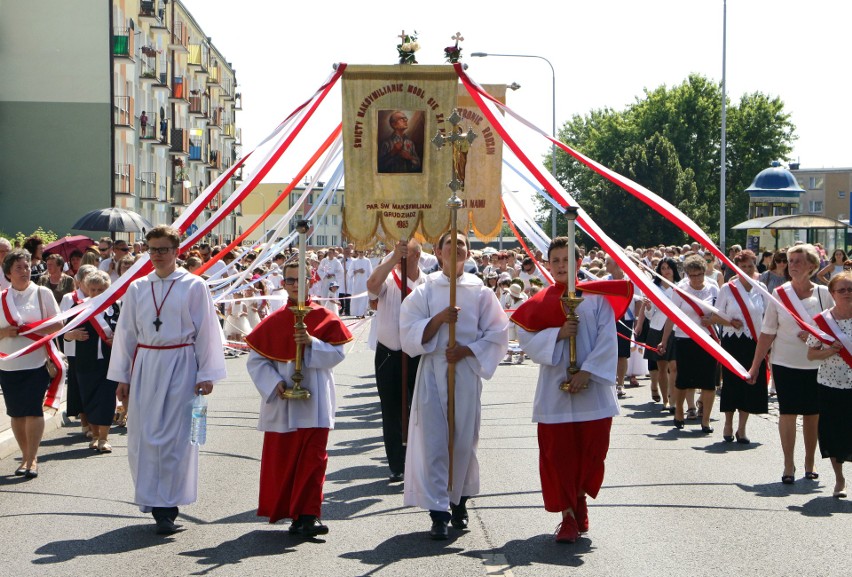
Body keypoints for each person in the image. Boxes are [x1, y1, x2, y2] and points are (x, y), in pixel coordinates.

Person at [107, 225, 226, 535]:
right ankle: (151, 498)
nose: (157, 255)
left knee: (176, 437)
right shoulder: (137, 288)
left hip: (182, 364)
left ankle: (168, 508)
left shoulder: (193, 285)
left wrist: (207, 373)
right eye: (152, 249)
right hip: (146, 364)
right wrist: (122, 376)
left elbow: (207, 331)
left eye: (163, 249)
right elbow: (127, 334)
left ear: (176, 251)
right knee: (144, 436)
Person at [512, 239, 629, 543]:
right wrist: (557, 334)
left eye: (567, 259)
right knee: (558, 454)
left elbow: (607, 339)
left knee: (592, 453)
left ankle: (579, 499)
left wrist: (587, 372)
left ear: (579, 263)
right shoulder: (541, 301)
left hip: (593, 390)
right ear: (548, 265)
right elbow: (525, 338)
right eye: (556, 261)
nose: (562, 266)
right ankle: (567, 517)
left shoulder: (597, 298)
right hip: (555, 392)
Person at [399, 231, 509, 540]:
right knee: (435, 440)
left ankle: (458, 498)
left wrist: (466, 350)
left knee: (462, 440)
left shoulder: (481, 291)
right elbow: (408, 332)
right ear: (439, 251)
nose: (456, 248)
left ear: (468, 252)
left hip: (464, 369)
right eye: (451, 243)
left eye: (462, 243)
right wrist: (438, 321)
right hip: (434, 368)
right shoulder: (425, 290)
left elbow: (497, 332)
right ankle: (438, 511)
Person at [245, 261, 353, 537]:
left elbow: (338, 355)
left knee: (314, 459)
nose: (295, 284)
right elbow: (256, 361)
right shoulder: (273, 322)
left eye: (300, 279)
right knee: (285, 459)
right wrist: (274, 383)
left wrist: (311, 343)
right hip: (284, 402)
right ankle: (289, 512)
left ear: (311, 281)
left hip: (315, 399)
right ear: (283, 284)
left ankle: (308, 515)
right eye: (290, 280)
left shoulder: (325, 317)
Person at [748, 244, 833, 485]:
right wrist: (755, 366)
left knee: (812, 415)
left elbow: (831, 331)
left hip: (816, 364)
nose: (792, 264)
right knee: (787, 412)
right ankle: (788, 463)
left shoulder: (823, 294)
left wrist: (814, 338)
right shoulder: (780, 294)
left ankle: (810, 461)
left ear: (812, 266)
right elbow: (767, 332)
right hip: (784, 363)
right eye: (790, 260)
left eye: (798, 261)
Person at [366, 239, 426, 483]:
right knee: (391, 410)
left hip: (416, 354)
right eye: (396, 253)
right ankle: (397, 463)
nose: (399, 257)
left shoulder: (427, 283)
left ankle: (417, 458)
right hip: (389, 353)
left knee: (418, 409)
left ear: (417, 256)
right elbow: (371, 285)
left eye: (404, 254)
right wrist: (391, 259)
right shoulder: (389, 280)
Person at [0, 248, 63, 478]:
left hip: (36, 363)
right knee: (16, 413)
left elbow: (58, 324)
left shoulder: (42, 293)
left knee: (33, 410)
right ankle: (24, 455)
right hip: (8, 365)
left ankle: (32, 458)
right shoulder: (1, 298)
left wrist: (31, 330)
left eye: (27, 266)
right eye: (19, 267)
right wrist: (5, 333)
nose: (25, 271)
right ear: (8, 273)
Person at [710, 250, 768, 444]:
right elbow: (715, 316)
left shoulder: (761, 288)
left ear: (755, 266)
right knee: (732, 383)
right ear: (736, 267)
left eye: (750, 266)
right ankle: (728, 423)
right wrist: (729, 323)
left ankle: (742, 428)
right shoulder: (727, 288)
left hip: (754, 342)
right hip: (732, 341)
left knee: (750, 382)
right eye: (743, 266)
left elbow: (767, 316)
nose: (747, 269)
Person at [658, 254, 719, 433]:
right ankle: (679, 411)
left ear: (704, 272)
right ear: (686, 275)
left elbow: (721, 312)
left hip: (707, 339)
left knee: (708, 381)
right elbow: (672, 317)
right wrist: (664, 340)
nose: (695, 279)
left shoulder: (713, 288)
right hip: (684, 339)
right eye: (691, 275)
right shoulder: (680, 290)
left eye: (699, 274)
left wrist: (713, 319)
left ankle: (706, 420)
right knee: (684, 379)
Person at [806, 271, 852, 499]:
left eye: (850, 289)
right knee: (834, 433)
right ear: (832, 293)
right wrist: (828, 351)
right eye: (841, 290)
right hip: (830, 384)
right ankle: (839, 479)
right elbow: (811, 355)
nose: (847, 294)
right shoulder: (823, 321)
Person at [64, 270, 120, 453]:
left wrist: (118, 339)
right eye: (93, 289)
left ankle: (104, 438)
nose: (96, 293)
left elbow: (127, 331)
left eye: (101, 289)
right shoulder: (79, 307)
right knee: (89, 399)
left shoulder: (116, 307)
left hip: (109, 362)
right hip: (85, 361)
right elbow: (64, 333)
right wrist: (71, 335)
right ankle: (95, 435)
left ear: (107, 289)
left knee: (106, 399)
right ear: (87, 289)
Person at [60, 265, 96, 439]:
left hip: (97, 349)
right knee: (79, 386)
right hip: (75, 349)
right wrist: (70, 334)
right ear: (79, 281)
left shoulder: (100, 296)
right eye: (87, 279)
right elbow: (60, 324)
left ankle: (97, 422)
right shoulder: (69, 298)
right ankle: (85, 422)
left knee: (95, 386)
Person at [642, 257, 681, 410]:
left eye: (669, 267)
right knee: (662, 367)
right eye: (663, 268)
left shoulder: (679, 287)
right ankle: (665, 399)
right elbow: (649, 315)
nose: (666, 271)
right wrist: (649, 307)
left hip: (676, 330)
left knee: (674, 366)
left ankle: (674, 399)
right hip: (657, 329)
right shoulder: (654, 287)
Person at [347, 248, 373, 318]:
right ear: (358, 252)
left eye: (362, 252)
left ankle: (363, 313)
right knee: (356, 298)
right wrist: (357, 271)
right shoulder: (354, 261)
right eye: (360, 252)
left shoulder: (367, 261)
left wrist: (370, 281)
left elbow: (370, 272)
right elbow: (350, 272)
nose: (361, 253)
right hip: (356, 283)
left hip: (364, 283)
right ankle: (356, 312)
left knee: (364, 298)